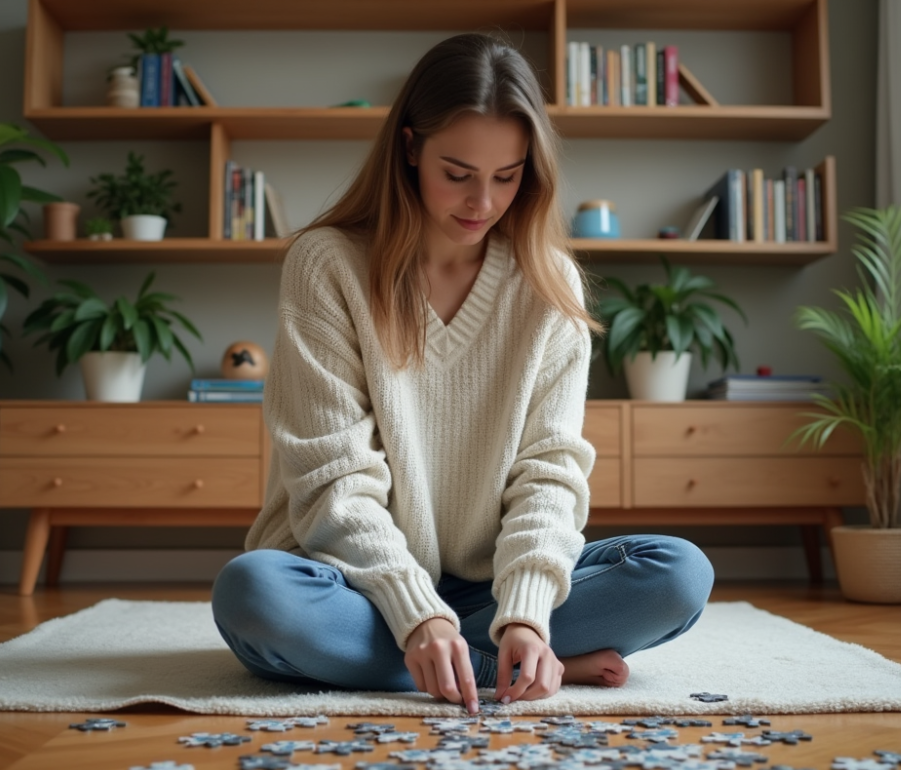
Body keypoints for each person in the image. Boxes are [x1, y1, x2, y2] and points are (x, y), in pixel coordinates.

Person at [211, 32, 714, 715]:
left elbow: (549, 471)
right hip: (350, 581)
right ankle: (491, 667)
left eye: (507, 176)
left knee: (679, 575)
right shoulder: (327, 265)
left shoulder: (548, 286)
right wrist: (418, 615)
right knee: (254, 596)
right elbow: (334, 480)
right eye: (458, 172)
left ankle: (488, 654)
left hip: (491, 587)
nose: (483, 201)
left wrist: (529, 617)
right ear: (411, 147)